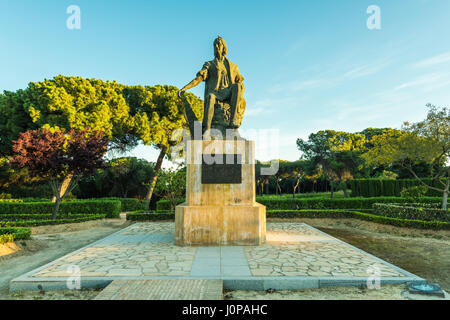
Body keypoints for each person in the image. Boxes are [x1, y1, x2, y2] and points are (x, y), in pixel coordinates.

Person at [179, 36, 246, 134]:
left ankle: (233, 121)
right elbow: (199, 78)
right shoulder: (209, 64)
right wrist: (185, 88)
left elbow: (239, 81)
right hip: (215, 92)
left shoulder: (233, 66)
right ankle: (207, 130)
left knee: (237, 86)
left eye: (219, 45)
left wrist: (240, 84)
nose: (217, 47)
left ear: (224, 47)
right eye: (215, 45)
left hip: (228, 92)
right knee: (210, 97)